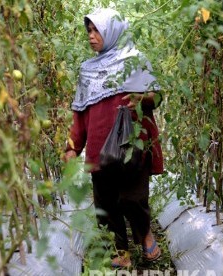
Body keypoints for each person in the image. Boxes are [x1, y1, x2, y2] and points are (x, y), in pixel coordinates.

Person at [63, 8, 164, 268]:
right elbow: (80, 114)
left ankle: (144, 234)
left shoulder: (134, 59)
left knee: (133, 198)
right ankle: (121, 252)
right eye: (89, 31)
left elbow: (157, 96)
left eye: (96, 30)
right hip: (99, 148)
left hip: (132, 145)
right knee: (106, 204)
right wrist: (72, 147)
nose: (91, 36)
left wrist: (143, 98)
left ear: (112, 31)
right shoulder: (87, 70)